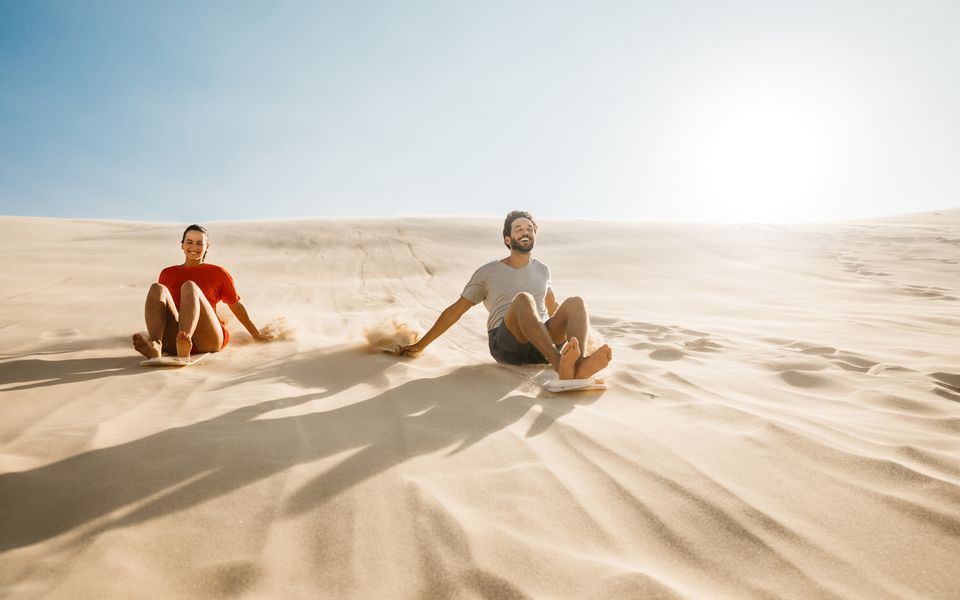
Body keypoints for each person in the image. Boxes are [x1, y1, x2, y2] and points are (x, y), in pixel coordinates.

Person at [399, 211, 612, 380]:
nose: (525, 231)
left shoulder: (543, 270)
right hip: (508, 344)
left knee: (575, 303)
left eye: (529, 228)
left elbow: (552, 308)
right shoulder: (488, 272)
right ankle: (561, 366)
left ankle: (578, 366)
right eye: (518, 229)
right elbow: (456, 310)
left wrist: (575, 334)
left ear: (535, 236)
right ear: (508, 239)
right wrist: (420, 345)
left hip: (542, 346)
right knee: (523, 299)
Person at [132, 224, 273, 358]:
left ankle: (184, 341)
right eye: (189, 242)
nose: (194, 247)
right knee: (156, 288)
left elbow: (235, 305)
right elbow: (161, 311)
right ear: (182, 245)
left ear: (207, 247)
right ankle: (156, 345)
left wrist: (256, 333)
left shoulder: (218, 273)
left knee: (189, 286)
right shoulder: (167, 273)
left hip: (209, 337)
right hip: (175, 337)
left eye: (199, 243)